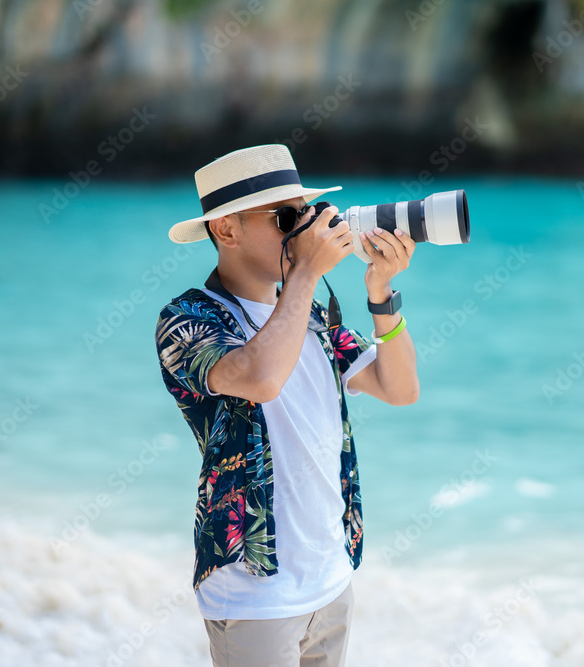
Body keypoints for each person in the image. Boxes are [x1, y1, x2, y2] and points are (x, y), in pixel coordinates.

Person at [154, 144, 419, 666]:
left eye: (305, 214)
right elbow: (260, 377)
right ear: (226, 230)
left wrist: (381, 293)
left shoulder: (312, 314)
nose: (303, 231)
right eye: (286, 217)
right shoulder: (187, 320)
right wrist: (303, 273)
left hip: (330, 576)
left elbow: (399, 388)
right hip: (254, 589)